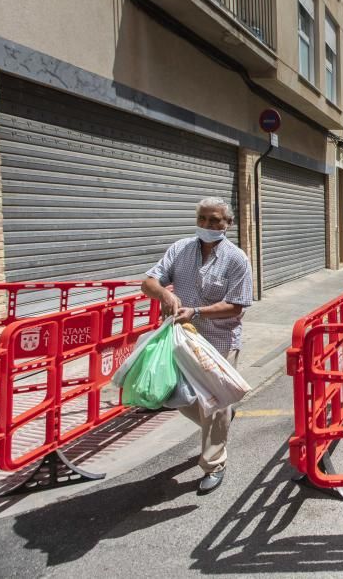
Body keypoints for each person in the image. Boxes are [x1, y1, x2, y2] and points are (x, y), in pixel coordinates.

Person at [142, 197, 253, 494]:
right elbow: (149, 282)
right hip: (182, 338)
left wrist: (197, 311)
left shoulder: (237, 258)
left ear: (227, 224)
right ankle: (221, 419)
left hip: (220, 339)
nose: (208, 225)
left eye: (216, 220)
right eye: (203, 218)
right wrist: (166, 295)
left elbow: (237, 306)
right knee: (177, 397)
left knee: (214, 404)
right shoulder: (179, 249)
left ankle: (214, 464)